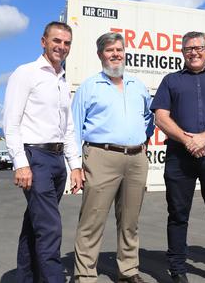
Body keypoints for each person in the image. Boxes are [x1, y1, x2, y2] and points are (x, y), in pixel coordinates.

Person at [151, 31, 205, 283]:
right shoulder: (171, 80)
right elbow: (161, 117)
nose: (194, 52)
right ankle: (178, 270)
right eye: (189, 49)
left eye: (199, 47)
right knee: (178, 214)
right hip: (179, 155)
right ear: (182, 52)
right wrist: (189, 140)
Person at [3, 21, 84, 283]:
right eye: (56, 41)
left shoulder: (62, 78)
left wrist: (74, 164)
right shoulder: (25, 73)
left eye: (67, 42)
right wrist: (21, 163)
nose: (62, 46)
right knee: (50, 228)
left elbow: (68, 127)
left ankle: (26, 278)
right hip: (35, 158)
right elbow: (11, 123)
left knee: (35, 224)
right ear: (43, 41)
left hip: (57, 160)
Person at [71, 32, 154, 283]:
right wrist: (76, 165)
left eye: (119, 49)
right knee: (92, 219)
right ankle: (85, 274)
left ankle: (128, 270)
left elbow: (148, 120)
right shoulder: (89, 86)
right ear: (100, 55)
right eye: (110, 50)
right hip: (100, 156)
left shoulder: (137, 85)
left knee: (130, 219)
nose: (116, 54)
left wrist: (140, 141)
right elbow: (73, 127)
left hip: (136, 158)